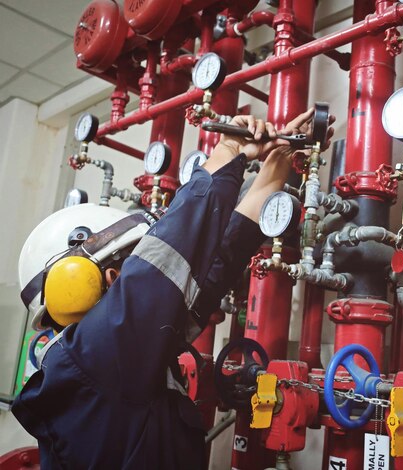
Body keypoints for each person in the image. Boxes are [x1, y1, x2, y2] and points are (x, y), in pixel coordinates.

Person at [13, 108, 331, 469]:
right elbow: (171, 251)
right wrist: (228, 149)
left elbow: (218, 264)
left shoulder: (121, 359)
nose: (141, 271)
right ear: (108, 277)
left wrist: (279, 162)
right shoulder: (94, 358)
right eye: (131, 262)